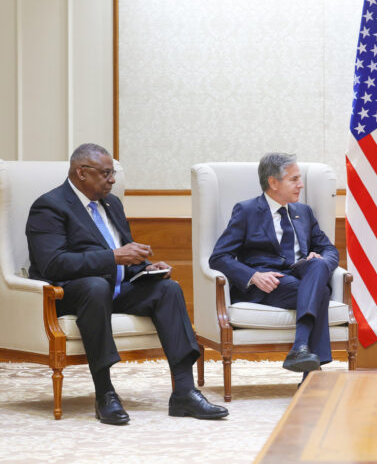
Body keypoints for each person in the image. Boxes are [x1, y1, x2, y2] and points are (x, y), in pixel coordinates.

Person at [26, 143, 228, 425]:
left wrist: (145, 268)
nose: (112, 180)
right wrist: (113, 256)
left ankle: (184, 391)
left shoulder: (112, 204)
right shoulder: (49, 206)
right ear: (81, 172)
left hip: (116, 289)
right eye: (106, 173)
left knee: (168, 289)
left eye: (113, 174)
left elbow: (122, 255)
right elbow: (53, 264)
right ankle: (105, 392)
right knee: (96, 286)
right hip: (72, 293)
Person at [209, 152, 338, 380]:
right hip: (268, 284)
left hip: (301, 276)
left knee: (318, 267)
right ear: (273, 182)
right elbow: (219, 257)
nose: (301, 185)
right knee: (322, 291)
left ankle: (300, 348)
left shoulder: (304, 212)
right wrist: (253, 275)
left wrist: (321, 260)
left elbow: (330, 250)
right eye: (294, 179)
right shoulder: (247, 211)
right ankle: (312, 375)